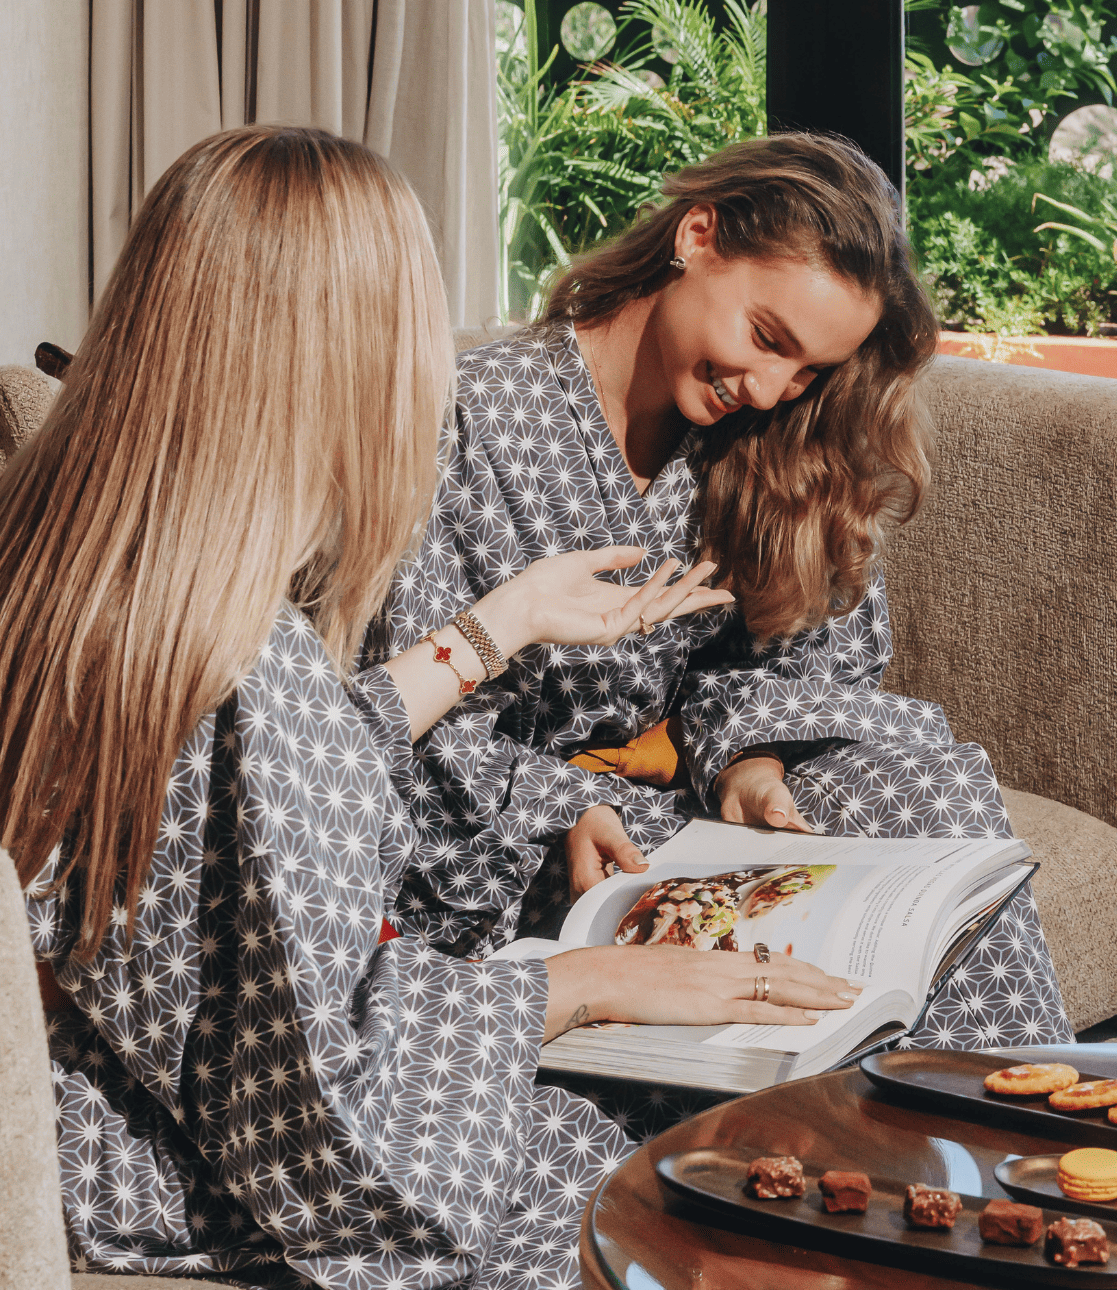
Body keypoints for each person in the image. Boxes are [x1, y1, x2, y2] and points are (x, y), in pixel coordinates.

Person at [3, 126, 859, 1288]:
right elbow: (327, 1129)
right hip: (156, 1154)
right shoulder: (250, 667)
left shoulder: (77, 552)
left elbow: (241, 818)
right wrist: (579, 987)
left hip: (97, 1098)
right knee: (653, 1201)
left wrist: (492, 629)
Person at [378, 131, 1076, 1102]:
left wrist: (750, 758)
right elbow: (410, 714)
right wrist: (571, 803)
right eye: (768, 339)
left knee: (922, 789)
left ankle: (1021, 1107)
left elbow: (806, 668)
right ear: (697, 235)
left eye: (805, 374)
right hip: (507, 846)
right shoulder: (469, 419)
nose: (769, 390)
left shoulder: (754, 445)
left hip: (675, 813)